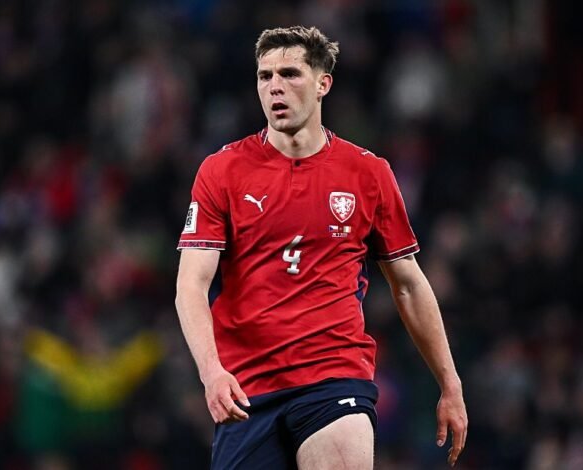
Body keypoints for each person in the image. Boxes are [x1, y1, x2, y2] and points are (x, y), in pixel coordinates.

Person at [174, 26, 467, 469]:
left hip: (333, 377)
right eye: (265, 76)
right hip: (247, 390)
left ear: (322, 83)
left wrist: (450, 382)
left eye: (290, 74)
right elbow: (190, 287)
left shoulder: (367, 173)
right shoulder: (222, 171)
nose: (275, 86)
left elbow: (408, 284)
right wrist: (211, 371)